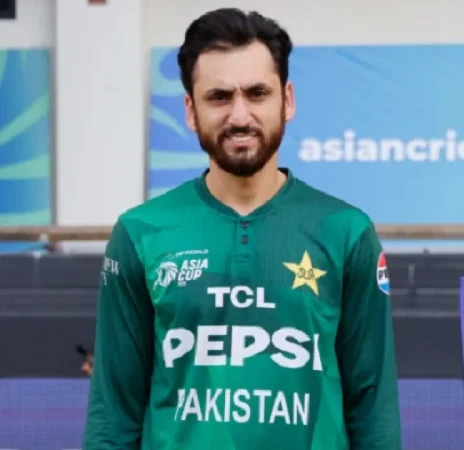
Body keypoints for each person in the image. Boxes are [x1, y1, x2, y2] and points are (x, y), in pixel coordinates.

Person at [82, 8, 402, 450]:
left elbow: (373, 408)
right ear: (191, 111)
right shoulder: (141, 233)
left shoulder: (346, 231)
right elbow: (113, 413)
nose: (239, 115)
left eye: (257, 93)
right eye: (218, 97)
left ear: (286, 100)